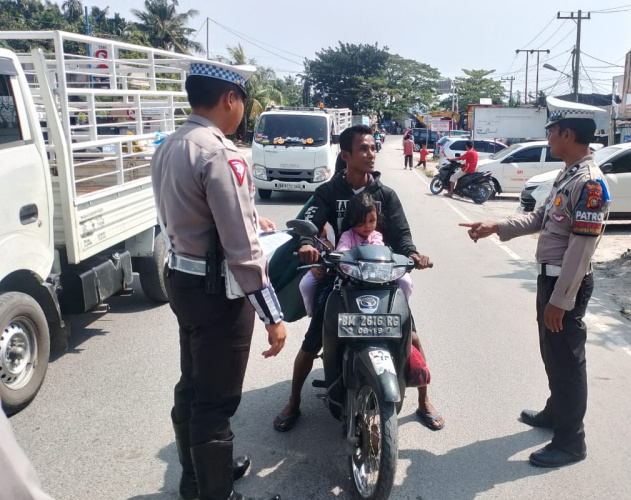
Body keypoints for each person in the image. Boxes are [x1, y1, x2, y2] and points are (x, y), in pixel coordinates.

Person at [152, 60, 286, 500]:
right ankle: (215, 493)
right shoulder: (220, 153)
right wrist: (272, 314)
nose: (243, 111)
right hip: (217, 293)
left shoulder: (171, 144)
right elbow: (243, 253)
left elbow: (192, 213)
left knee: (193, 382)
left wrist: (252, 217)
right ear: (230, 98)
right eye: (243, 102)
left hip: (181, 278)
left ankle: (197, 478)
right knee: (216, 402)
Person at [459, 108, 610, 468]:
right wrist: (497, 226)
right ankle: (557, 411)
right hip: (551, 278)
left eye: (553, 131)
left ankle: (571, 442)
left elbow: (581, 248)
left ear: (568, 135)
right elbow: (541, 218)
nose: (549, 137)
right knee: (553, 354)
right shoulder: (568, 176)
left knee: (568, 361)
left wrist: (561, 299)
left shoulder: (590, 183)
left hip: (566, 284)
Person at [273, 124, 444, 432]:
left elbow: (402, 234)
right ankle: (294, 401)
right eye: (364, 149)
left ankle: (423, 400)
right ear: (346, 155)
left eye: (373, 148)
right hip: (339, 275)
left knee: (412, 336)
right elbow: (310, 223)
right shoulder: (327, 191)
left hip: (380, 276)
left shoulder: (385, 195)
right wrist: (308, 245)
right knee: (312, 343)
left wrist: (413, 254)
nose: (371, 154)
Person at [298, 191, 413, 316]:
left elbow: (380, 248)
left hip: (378, 276)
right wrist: (337, 257)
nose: (368, 226)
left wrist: (411, 255)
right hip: (347, 277)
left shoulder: (377, 235)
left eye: (372, 220)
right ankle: (313, 316)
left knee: (406, 281)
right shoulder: (347, 235)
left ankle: (404, 314)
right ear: (352, 220)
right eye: (362, 222)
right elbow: (342, 250)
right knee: (307, 284)